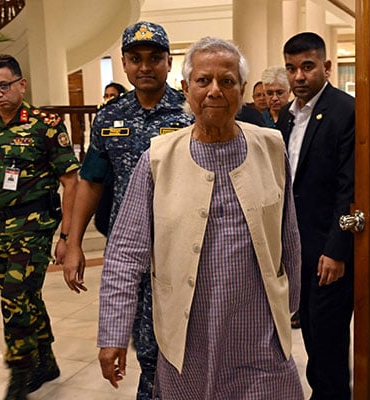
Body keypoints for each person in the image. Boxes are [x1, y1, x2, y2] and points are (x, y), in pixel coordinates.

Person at [97, 36, 303, 399]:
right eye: (203, 81)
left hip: (259, 334)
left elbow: (289, 236)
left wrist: (290, 306)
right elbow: (125, 253)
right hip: (187, 337)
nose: (214, 91)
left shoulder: (270, 147)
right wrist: (113, 333)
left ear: (241, 90)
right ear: (186, 89)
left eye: (227, 81)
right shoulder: (158, 159)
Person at [62, 21, 193, 400]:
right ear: (124, 63)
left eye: (155, 58)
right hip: (132, 252)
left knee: (182, 341)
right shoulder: (108, 117)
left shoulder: (189, 112)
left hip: (183, 248)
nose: (145, 67)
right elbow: (90, 182)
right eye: (136, 59)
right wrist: (73, 243)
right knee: (146, 343)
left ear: (169, 63)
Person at [0, 54, 79, 400]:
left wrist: (67, 238)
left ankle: (21, 371)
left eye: (4, 85)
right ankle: (47, 361)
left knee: (14, 296)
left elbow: (71, 182)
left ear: (21, 85)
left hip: (34, 226)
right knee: (26, 295)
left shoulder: (45, 124)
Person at [276, 31, 355, 400]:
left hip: (328, 249)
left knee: (328, 338)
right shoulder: (287, 116)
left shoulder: (345, 110)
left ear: (326, 67)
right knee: (309, 328)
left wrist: (337, 250)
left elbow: (349, 187)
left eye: (307, 67)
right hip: (299, 245)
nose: (298, 77)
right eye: (291, 68)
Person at [95, 82, 128, 236]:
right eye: (106, 95)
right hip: (113, 190)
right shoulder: (104, 117)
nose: (108, 99)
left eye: (112, 95)